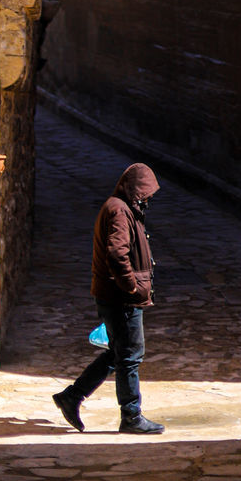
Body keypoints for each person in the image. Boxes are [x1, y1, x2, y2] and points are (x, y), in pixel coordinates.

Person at [53, 162, 166, 435]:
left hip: (114, 296)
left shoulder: (123, 207)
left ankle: (72, 396)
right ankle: (131, 416)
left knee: (117, 353)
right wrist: (131, 287)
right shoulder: (119, 210)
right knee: (129, 356)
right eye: (145, 193)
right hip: (121, 299)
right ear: (135, 190)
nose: (148, 199)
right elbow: (117, 254)